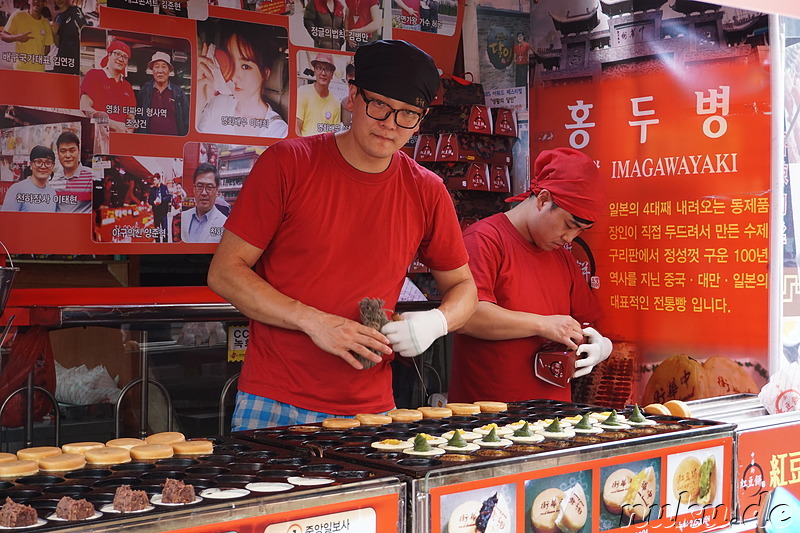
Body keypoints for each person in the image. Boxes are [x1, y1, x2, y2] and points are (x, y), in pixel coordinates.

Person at [207, 40, 477, 429]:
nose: (390, 123)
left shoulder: (427, 190)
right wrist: (314, 321)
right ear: (352, 96)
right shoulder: (288, 164)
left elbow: (465, 288)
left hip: (370, 407)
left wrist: (436, 323)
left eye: (407, 115)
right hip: (274, 399)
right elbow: (224, 272)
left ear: (420, 121)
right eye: (379, 105)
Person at [448, 148, 613, 403]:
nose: (569, 238)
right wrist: (543, 324)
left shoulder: (562, 258)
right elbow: (467, 317)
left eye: (580, 232)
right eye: (568, 225)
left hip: (554, 417)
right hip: (487, 415)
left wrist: (599, 345)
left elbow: (586, 321)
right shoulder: (484, 240)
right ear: (543, 199)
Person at [196, 22, 288, 138]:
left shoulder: (278, 131)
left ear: (265, 73)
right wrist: (199, 98)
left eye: (245, 66)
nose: (234, 76)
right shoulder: (218, 104)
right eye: (231, 64)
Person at [80, 39, 136, 133]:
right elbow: (84, 107)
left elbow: (131, 116)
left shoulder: (127, 87)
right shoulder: (94, 75)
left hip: (120, 140)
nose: (121, 59)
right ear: (109, 55)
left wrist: (129, 131)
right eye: (117, 54)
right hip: (97, 138)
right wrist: (113, 125)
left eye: (125, 57)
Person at [134, 51, 190, 136]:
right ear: (152, 70)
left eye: (164, 67)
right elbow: (138, 116)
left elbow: (186, 119)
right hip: (148, 142)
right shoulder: (145, 91)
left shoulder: (178, 92)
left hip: (173, 142)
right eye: (156, 67)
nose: (160, 71)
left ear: (169, 71)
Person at [0, 0, 54, 72]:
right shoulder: (17, 16)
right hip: (20, 69)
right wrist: (16, 38)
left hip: (39, 70)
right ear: (29, 1)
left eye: (40, 0)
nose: (37, 2)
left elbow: (47, 47)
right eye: (34, 0)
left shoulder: (46, 24)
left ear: (44, 3)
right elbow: (3, 35)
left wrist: (36, 60)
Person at [296, 52, 341, 137]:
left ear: (332, 75)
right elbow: (296, 129)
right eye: (319, 68)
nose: (323, 73)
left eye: (327, 69)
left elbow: (334, 135)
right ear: (314, 71)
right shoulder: (303, 92)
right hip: (305, 146)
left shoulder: (336, 102)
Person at [1, 145, 58, 212]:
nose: (43, 166)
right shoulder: (17, 190)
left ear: (53, 166)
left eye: (48, 163)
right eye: (38, 162)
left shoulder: (52, 192)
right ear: (31, 165)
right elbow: (6, 220)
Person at [181, 162, 228, 243]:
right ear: (194, 188)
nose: (203, 193)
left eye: (209, 187)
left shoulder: (225, 225)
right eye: (199, 186)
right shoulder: (181, 218)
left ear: (217, 190)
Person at [50, 131, 93, 213]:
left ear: (78, 151)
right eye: (63, 151)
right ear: (58, 154)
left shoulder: (91, 177)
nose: (68, 155)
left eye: (72, 150)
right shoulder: (52, 180)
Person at [51, 0, 86, 74]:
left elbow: (85, 29)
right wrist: (54, 33)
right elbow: (58, 44)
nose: (59, 1)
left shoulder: (74, 10)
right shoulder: (57, 17)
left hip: (74, 58)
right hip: (61, 59)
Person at [147, 173, 171, 242]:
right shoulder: (152, 189)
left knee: (164, 232)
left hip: (163, 213)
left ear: (159, 180)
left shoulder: (164, 187)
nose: (154, 182)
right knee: (157, 232)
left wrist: (161, 200)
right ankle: (157, 246)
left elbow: (168, 197)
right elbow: (149, 200)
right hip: (156, 213)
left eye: (155, 180)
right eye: (153, 180)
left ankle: (164, 247)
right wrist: (153, 202)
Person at [340, 62, 355, 129]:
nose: (353, 79)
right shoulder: (344, 102)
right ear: (346, 77)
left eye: (356, 75)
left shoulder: (368, 103)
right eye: (350, 75)